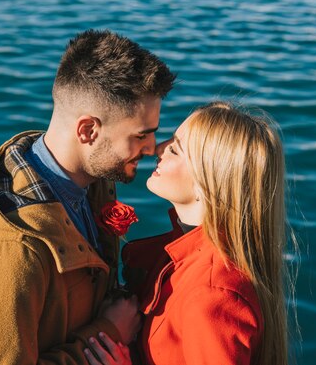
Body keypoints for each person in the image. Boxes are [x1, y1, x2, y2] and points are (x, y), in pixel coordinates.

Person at [0, 29, 176, 365]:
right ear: (88, 131)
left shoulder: (94, 184)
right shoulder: (8, 251)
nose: (152, 148)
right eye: (141, 134)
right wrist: (109, 333)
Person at [85, 101, 294, 365]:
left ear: (208, 184)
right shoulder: (182, 256)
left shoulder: (213, 296)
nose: (157, 149)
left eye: (175, 149)